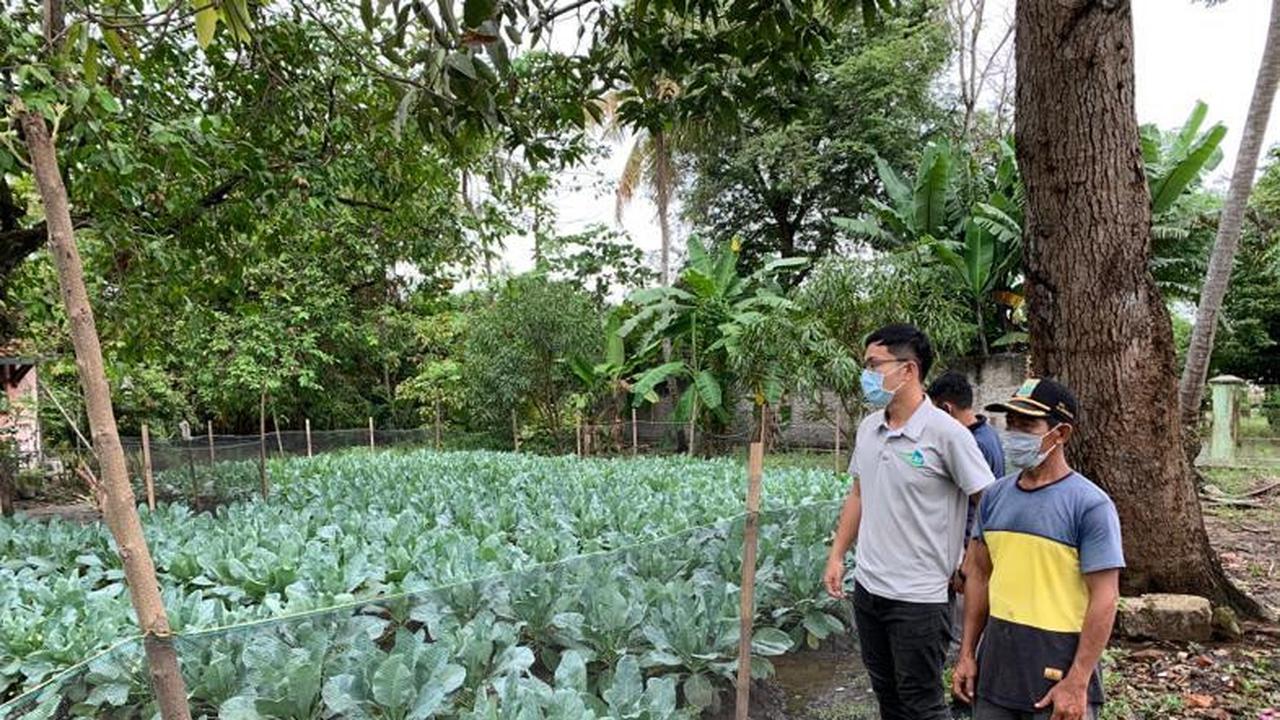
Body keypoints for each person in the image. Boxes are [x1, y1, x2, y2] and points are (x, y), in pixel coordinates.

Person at [823, 324, 997, 720]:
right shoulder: (869, 428)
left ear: (909, 371)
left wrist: (972, 559)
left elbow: (988, 501)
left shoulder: (947, 434)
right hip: (869, 589)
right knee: (887, 694)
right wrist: (837, 555)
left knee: (921, 703)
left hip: (919, 598)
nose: (866, 375)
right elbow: (859, 494)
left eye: (873, 364)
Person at [952, 378, 1125, 720]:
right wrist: (968, 652)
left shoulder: (1090, 505)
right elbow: (979, 576)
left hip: (1056, 673)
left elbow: (1105, 598)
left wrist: (1077, 681)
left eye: (1027, 424)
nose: (1014, 433)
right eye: (1011, 423)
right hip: (996, 670)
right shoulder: (994, 497)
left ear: (1061, 434)